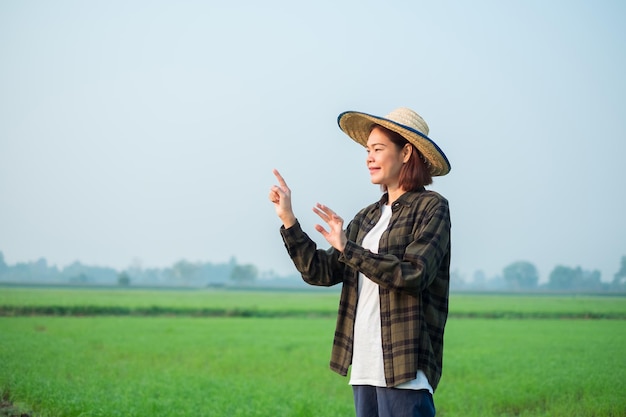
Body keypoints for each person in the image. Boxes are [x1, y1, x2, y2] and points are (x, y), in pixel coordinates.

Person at [269, 107, 451, 417]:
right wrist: (288, 219)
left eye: (378, 149)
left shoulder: (431, 207)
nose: (369, 157)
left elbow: (414, 274)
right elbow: (321, 271)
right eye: (368, 150)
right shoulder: (368, 217)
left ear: (406, 152)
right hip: (365, 366)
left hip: (405, 367)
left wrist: (348, 247)